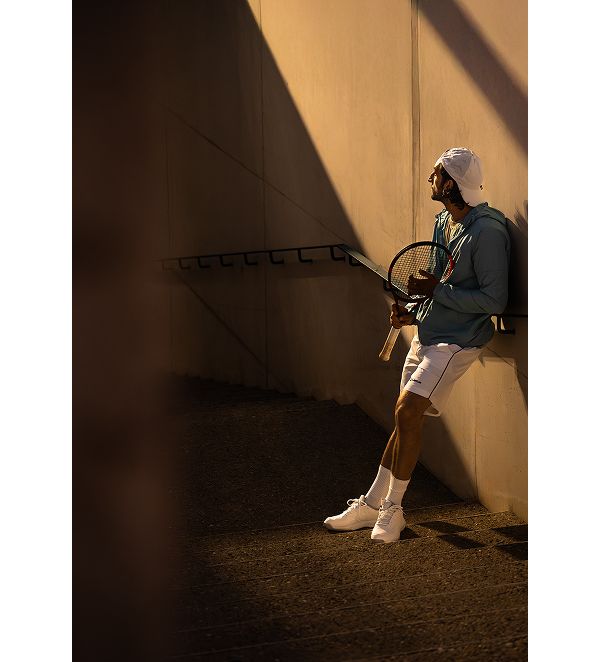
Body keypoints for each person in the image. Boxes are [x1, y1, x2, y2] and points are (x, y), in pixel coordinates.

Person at [324, 147, 511, 543]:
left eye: (437, 174)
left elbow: (494, 300)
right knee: (405, 418)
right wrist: (414, 311)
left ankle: (394, 510)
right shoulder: (445, 219)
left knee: (407, 412)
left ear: (453, 183)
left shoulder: (489, 233)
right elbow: (442, 282)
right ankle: (373, 504)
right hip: (429, 333)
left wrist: (437, 291)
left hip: (458, 343)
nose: (431, 178)